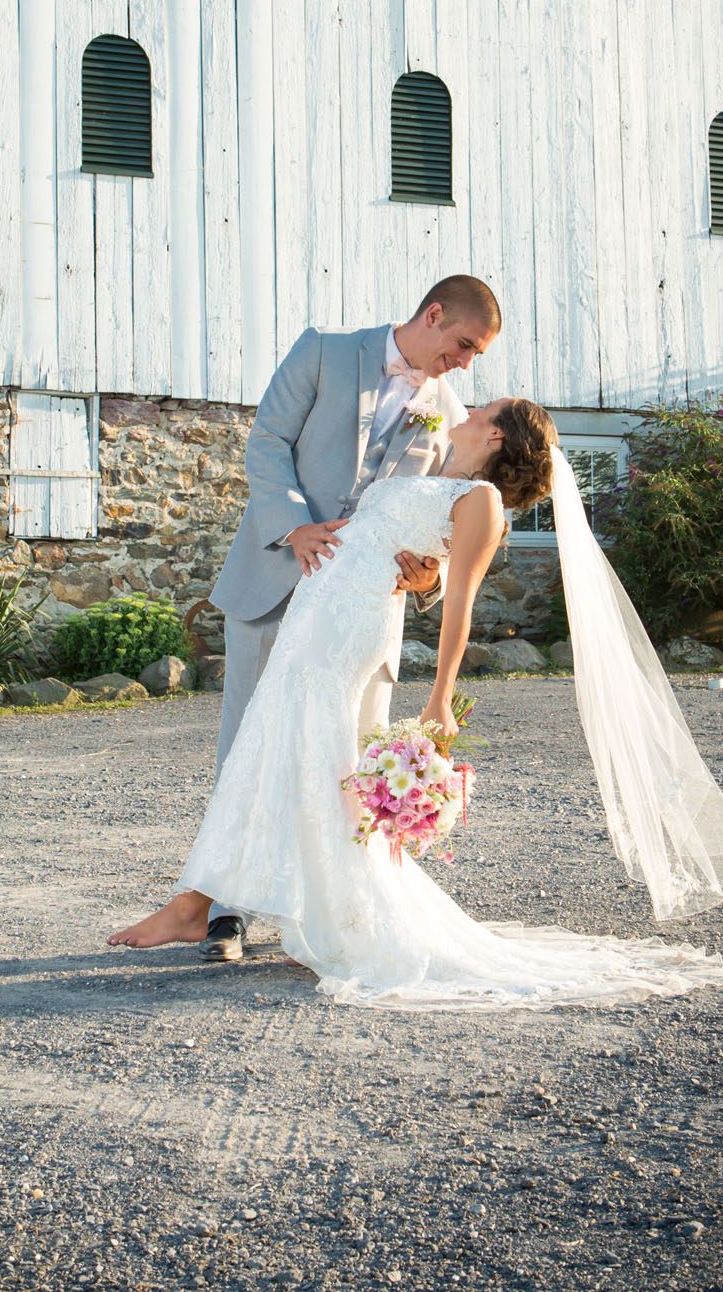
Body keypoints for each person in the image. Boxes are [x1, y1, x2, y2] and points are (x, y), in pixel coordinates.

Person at [108, 399, 723, 1012]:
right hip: (315, 615)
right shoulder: (434, 471)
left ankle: (255, 908)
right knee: (271, 752)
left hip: (347, 632)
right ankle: (223, 903)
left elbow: (461, 601)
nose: (468, 411)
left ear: (497, 433)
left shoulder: (480, 501)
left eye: (484, 409)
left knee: (310, 763)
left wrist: (442, 692)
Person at [197, 276, 502, 961]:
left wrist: (430, 577)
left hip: (361, 614)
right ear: (432, 315)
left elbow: (448, 517)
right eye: (462, 344)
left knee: (347, 759)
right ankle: (228, 911)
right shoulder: (322, 353)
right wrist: (295, 529)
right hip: (277, 579)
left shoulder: (449, 411)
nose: (465, 362)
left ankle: (337, 909)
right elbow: (267, 442)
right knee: (249, 744)